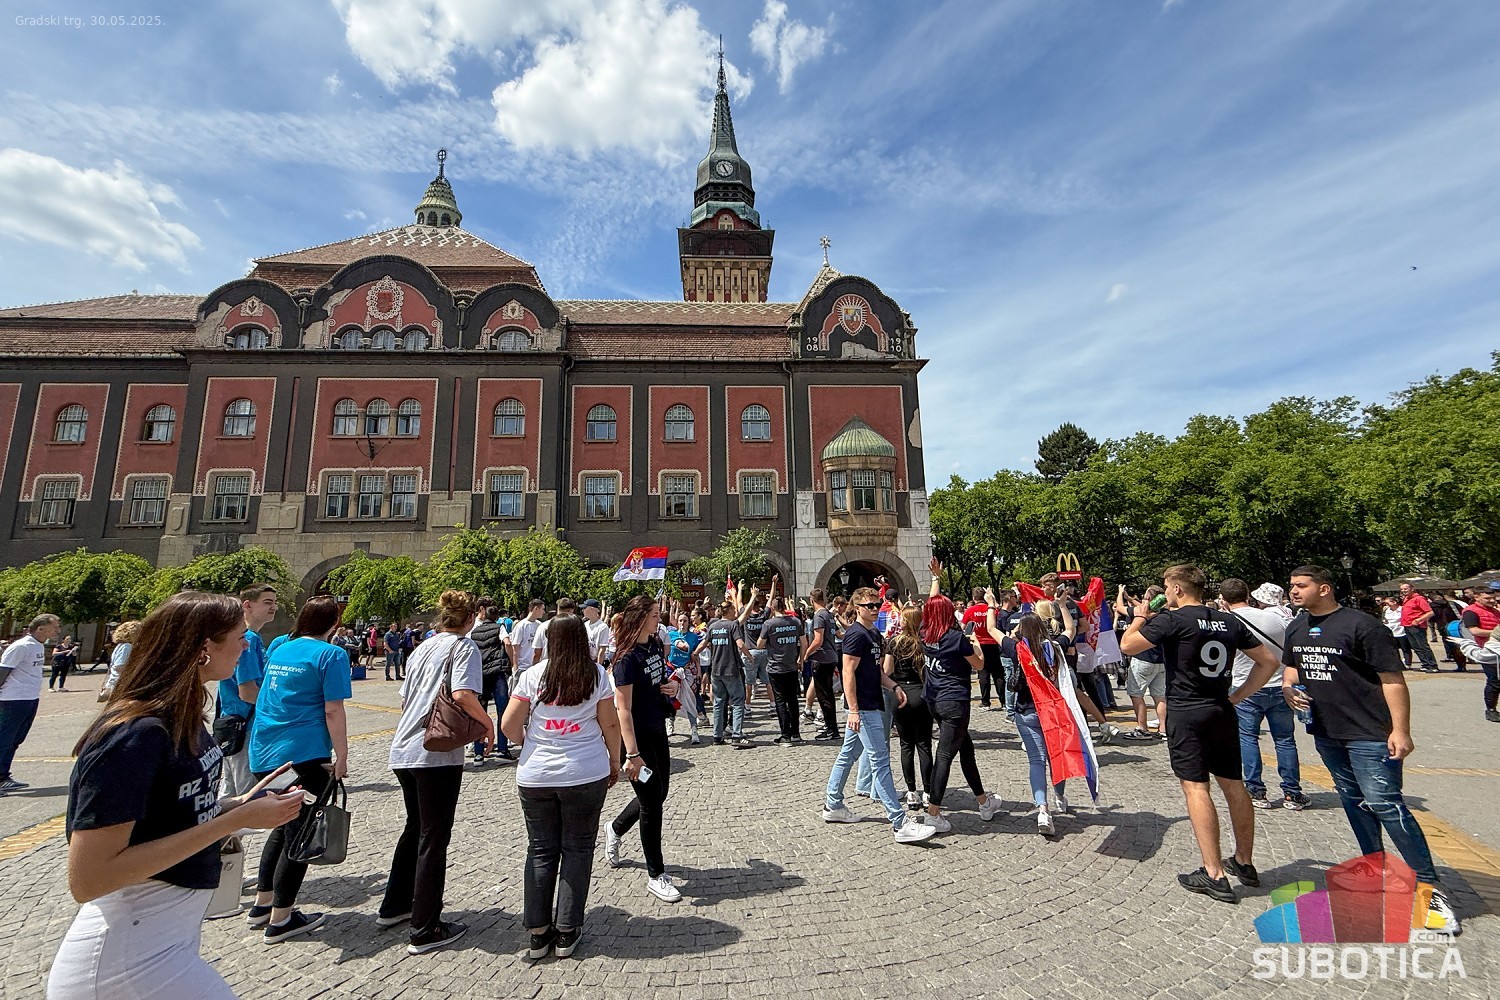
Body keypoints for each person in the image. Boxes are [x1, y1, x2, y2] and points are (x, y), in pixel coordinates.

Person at [48, 593, 305, 999]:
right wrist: (233, 821)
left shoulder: (182, 715)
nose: (246, 646)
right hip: (125, 958)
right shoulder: (136, 733)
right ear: (204, 648)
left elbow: (172, 816)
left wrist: (241, 806)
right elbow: (89, 878)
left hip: (164, 942)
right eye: (238, 637)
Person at [1283, 565, 1460, 935]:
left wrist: (1401, 730)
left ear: (1324, 588)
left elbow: (1392, 680)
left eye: (1301, 585)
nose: (1294, 591)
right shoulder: (1296, 626)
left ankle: (1429, 890)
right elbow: (1292, 669)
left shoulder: (1362, 625)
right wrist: (1288, 689)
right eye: (1292, 586)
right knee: (1353, 801)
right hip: (1327, 732)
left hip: (1369, 732)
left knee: (1386, 805)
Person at [1120, 564, 1281, 904]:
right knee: (1234, 785)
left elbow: (1128, 645)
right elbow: (1268, 661)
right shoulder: (1229, 620)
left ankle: (1214, 872)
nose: (1166, 591)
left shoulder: (1172, 619)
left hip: (1186, 709)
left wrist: (1140, 616)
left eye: (1167, 586)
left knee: (1196, 787)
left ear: (1177, 588)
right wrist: (1239, 696)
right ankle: (1244, 861)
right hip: (1220, 708)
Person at [376, 591, 493, 955]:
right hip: (435, 753)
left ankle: (395, 905)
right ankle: (425, 927)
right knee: (434, 836)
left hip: (404, 747)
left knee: (415, 828)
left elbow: (405, 698)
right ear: (471, 617)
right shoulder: (464, 647)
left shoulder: (423, 647)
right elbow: (462, 694)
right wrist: (487, 723)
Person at [502, 614, 622, 960]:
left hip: (536, 775)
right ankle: (567, 930)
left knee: (540, 850)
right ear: (582, 639)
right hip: (585, 771)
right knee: (578, 849)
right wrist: (614, 761)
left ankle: (538, 934)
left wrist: (528, 743)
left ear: (550, 640)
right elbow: (610, 724)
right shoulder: (596, 674)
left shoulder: (532, 675)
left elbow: (508, 725)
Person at [245, 596, 352, 943]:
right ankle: (282, 918)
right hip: (302, 754)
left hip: (265, 753)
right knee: (303, 833)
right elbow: (333, 710)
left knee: (282, 827)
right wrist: (342, 755)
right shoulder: (331, 654)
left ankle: (262, 903)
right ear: (334, 623)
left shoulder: (281, 649)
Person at [820, 585, 937, 845]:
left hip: (871, 702)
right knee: (880, 761)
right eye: (870, 606)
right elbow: (847, 672)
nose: (875, 609)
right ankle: (899, 822)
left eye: (877, 605)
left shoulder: (873, 633)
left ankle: (833, 804)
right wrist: (853, 710)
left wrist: (893, 686)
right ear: (857, 608)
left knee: (848, 754)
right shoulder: (856, 635)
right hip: (863, 708)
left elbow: (876, 671)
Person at [604, 596, 682, 901]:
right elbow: (622, 708)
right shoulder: (626, 659)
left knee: (659, 794)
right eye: (654, 615)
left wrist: (672, 686)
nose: (659, 620)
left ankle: (615, 827)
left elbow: (660, 680)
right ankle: (656, 875)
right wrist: (632, 754)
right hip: (636, 739)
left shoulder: (653, 645)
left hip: (657, 729)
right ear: (639, 618)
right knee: (652, 804)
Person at [918, 569, 1002, 831]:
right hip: (954, 702)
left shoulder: (924, 633)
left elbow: (931, 605)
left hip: (933, 699)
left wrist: (935, 580)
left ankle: (983, 801)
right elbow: (980, 664)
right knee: (944, 756)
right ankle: (933, 813)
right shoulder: (956, 638)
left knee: (966, 749)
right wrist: (975, 641)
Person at [1219, 578, 1309, 810]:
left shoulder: (1227, 621)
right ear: (1248, 595)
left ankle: (1256, 790)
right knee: (1285, 740)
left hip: (1245, 685)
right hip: (1280, 685)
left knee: (1247, 737)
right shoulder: (1277, 618)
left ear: (1223, 599)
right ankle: (1292, 792)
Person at [1001, 612, 1071, 834]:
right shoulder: (1055, 647)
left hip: (1026, 712)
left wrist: (992, 606)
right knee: (1056, 757)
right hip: (1052, 712)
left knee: (1036, 761)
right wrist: (1062, 606)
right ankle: (1059, 796)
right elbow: (1071, 629)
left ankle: (1043, 810)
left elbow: (992, 629)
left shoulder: (1018, 649)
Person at [217, 584, 279, 800]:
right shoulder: (248, 639)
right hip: (247, 726)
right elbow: (248, 691)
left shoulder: (248, 637)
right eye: (267, 602)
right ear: (248, 605)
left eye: (275, 602)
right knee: (247, 797)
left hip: (233, 724)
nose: (274, 607)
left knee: (228, 795)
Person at [0, 613, 60, 794]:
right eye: (54, 627)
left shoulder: (38, 645)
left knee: (15, 739)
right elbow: (3, 670)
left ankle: (3, 777)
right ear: (41, 628)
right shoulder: (22, 646)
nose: (57, 630)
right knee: (4, 739)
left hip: (29, 698)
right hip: (12, 699)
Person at [885, 606, 931, 809]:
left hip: (900, 694)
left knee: (906, 745)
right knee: (924, 744)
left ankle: (912, 792)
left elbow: (887, 670)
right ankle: (928, 792)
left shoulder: (894, 642)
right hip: (921, 694)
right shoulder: (924, 642)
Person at [759, 577, 807, 745]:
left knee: (780, 700)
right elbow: (804, 642)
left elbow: (759, 644)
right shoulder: (795, 621)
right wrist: (801, 658)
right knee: (793, 699)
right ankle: (796, 733)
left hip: (775, 666)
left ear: (772, 608)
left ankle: (785, 734)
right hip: (792, 665)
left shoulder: (769, 624)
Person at [1118, 586, 1167, 741]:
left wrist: (1120, 594)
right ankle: (1164, 729)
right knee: (1160, 696)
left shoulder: (1141, 612)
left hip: (1142, 658)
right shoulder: (1165, 614)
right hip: (1161, 661)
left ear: (1148, 598)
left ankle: (1142, 729)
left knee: (1136, 694)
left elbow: (1120, 608)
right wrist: (1130, 599)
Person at [468, 597, 513, 763]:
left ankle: (478, 754)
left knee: (479, 712)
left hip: (480, 674)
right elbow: (507, 643)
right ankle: (502, 750)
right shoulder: (499, 627)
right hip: (497, 672)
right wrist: (512, 662)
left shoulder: (474, 631)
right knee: (502, 710)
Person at [704, 602, 749, 747]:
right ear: (728, 611)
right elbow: (740, 644)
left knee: (718, 703)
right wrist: (749, 656)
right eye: (733, 609)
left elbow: (704, 643)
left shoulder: (713, 626)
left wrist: (695, 654)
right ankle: (737, 736)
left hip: (716, 670)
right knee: (738, 701)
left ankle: (717, 736)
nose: (735, 612)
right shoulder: (732, 625)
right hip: (731, 669)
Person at [1459, 584, 1500, 721]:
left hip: (1497, 648)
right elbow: (1474, 631)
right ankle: (1491, 710)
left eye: (1493, 598)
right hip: (1487, 650)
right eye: (1487, 598)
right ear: (1476, 597)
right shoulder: (1470, 611)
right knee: (1494, 681)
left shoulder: (1494, 610)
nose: (1492, 600)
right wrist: (1496, 633)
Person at [805, 589, 841, 740]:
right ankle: (831, 726)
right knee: (828, 694)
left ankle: (831, 729)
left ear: (811, 600)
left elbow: (818, 640)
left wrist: (807, 654)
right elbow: (838, 634)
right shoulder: (828, 614)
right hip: (831, 656)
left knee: (823, 695)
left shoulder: (819, 615)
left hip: (822, 658)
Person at [960, 586, 1002, 710]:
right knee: (998, 673)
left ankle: (985, 702)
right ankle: (1004, 701)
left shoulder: (970, 611)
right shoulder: (992, 609)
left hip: (978, 644)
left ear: (973, 598)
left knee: (983, 673)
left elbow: (962, 627)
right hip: (993, 642)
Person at [666, 610, 703, 744]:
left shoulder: (693, 637)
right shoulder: (671, 635)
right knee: (671, 699)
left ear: (688, 623)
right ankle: (670, 723)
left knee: (690, 700)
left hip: (687, 672)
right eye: (680, 620)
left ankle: (694, 730)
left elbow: (695, 656)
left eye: (685, 620)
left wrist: (698, 671)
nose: (682, 623)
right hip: (672, 670)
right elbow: (666, 653)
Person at [737, 590, 772, 714]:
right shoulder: (763, 616)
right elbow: (770, 602)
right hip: (764, 650)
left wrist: (740, 589)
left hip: (750, 651)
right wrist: (773, 584)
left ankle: (747, 706)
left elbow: (739, 602)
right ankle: (773, 705)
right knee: (767, 681)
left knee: (749, 682)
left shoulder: (746, 616)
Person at [1397, 583, 1439, 673]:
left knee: (1423, 646)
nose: (1403, 591)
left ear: (1412, 589)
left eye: (1405, 589)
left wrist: (1419, 620)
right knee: (1415, 647)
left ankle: (1433, 665)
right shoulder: (1406, 599)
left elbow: (1430, 612)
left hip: (1417, 626)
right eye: (1402, 589)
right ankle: (1425, 664)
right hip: (1407, 625)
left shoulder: (1419, 599)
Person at [100, 620, 140, 703]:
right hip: (120, 685)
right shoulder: (127, 646)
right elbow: (119, 666)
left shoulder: (121, 645)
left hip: (116, 684)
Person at [532, 598, 579, 663]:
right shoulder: (576, 627)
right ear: (571, 610)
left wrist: (535, 667)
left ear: (558, 608)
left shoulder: (543, 626)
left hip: (547, 665)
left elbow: (537, 652)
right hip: (570, 664)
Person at [508, 599, 546, 677]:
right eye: (542, 609)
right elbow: (515, 647)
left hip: (535, 667)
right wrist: (515, 665)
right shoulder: (521, 626)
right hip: (522, 667)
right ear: (536, 608)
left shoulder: (540, 625)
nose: (544, 612)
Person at [1380, 597, 1412, 667]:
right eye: (1385, 603)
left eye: (1388, 603)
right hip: (1391, 633)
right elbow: (1384, 619)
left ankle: (1407, 663)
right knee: (1394, 649)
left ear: (1394, 602)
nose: (1386, 605)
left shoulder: (1402, 609)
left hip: (1402, 632)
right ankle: (1397, 663)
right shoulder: (1386, 610)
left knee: (1405, 649)